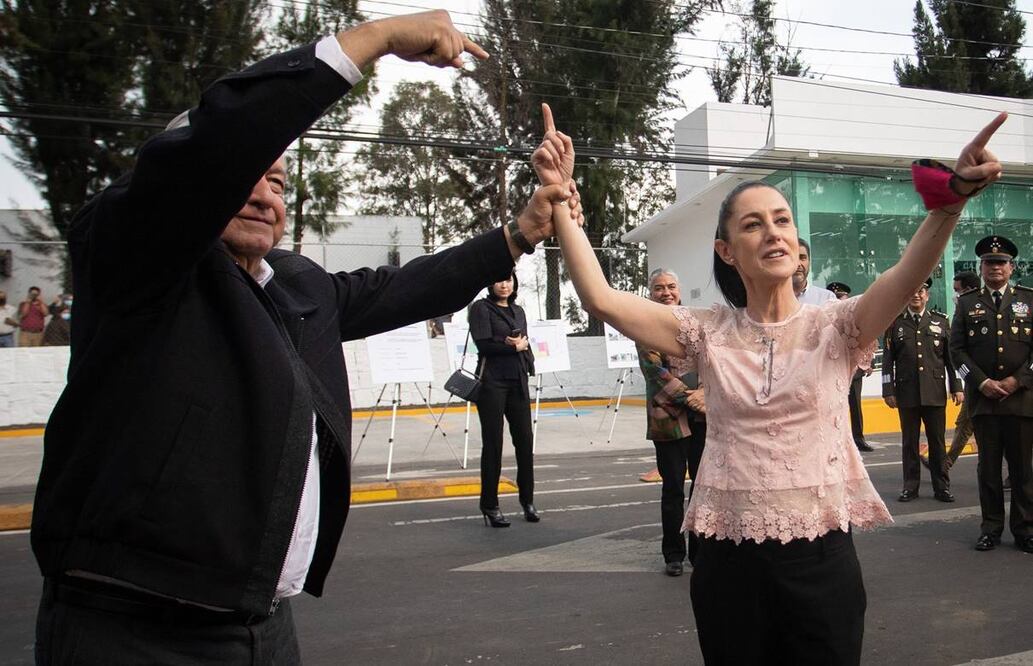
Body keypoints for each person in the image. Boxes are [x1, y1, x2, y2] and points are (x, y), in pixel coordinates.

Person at [31, 12, 584, 664]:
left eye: (279, 183)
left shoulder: (296, 285)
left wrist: (519, 232)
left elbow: (409, 287)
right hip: (133, 629)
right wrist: (372, 40)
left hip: (262, 625)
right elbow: (217, 144)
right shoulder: (135, 255)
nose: (265, 195)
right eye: (249, 174)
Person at [536, 99, 1006, 662]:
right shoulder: (703, 332)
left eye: (782, 220)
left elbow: (905, 276)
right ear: (726, 251)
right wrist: (560, 199)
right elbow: (602, 299)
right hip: (724, 556)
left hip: (820, 557)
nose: (774, 233)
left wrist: (949, 201)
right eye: (754, 225)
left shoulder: (839, 325)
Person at [949, 235, 1033, 553]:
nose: (995, 267)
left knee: (1023, 469)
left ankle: (1025, 530)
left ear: (1011, 267)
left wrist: (1018, 380)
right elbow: (956, 350)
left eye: (1000, 262)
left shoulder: (1029, 299)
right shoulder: (968, 303)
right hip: (984, 401)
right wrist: (980, 382)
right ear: (981, 268)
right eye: (989, 262)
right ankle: (991, 529)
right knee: (988, 469)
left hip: (1021, 399)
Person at [636, 268, 706, 576]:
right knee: (673, 489)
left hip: (702, 418)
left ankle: (701, 553)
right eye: (659, 287)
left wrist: (705, 392)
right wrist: (691, 396)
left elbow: (709, 361)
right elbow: (654, 373)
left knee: (703, 488)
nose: (666, 292)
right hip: (669, 421)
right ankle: (673, 554)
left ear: (679, 289)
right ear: (650, 293)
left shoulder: (693, 323)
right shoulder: (644, 327)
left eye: (671, 286)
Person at [882, 277, 962, 503]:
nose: (917, 295)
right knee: (909, 442)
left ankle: (942, 487)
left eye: (921, 291)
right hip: (906, 392)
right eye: (913, 292)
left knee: (937, 443)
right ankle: (910, 486)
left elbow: (950, 360)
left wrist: (956, 387)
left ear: (927, 295)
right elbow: (888, 361)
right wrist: (888, 389)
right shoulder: (895, 324)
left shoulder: (940, 322)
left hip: (934, 392)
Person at [468, 272, 538, 527]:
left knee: (525, 442)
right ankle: (490, 505)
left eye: (508, 279)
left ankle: (527, 501)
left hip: (518, 381)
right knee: (493, 444)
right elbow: (483, 345)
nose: (504, 284)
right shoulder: (480, 308)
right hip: (492, 383)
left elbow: (525, 344)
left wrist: (524, 350)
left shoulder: (518, 310)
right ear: (490, 283)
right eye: (499, 280)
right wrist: (511, 346)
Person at [829, 282, 875, 453]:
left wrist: (869, 362)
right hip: (832, 369)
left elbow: (866, 336)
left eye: (843, 298)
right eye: (839, 298)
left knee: (855, 405)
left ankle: (858, 438)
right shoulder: (827, 315)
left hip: (855, 369)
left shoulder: (852, 315)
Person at [945, 270, 981, 469]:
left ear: (969, 290)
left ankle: (946, 462)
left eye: (958, 291)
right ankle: (947, 462)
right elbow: (956, 351)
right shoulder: (963, 312)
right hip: (974, 379)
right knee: (966, 423)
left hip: (990, 380)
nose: (955, 296)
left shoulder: (985, 311)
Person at [793, 239, 837, 305]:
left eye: (802, 258)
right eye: (793, 258)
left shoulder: (827, 298)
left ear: (809, 262)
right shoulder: (773, 298)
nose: (798, 264)